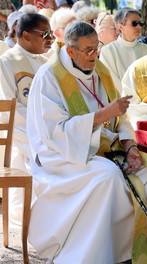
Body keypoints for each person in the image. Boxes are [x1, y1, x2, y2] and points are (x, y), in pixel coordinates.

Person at [27, 20, 147, 264]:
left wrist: (130, 146)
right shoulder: (49, 77)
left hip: (103, 148)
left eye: (97, 47)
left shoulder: (100, 70)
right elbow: (55, 132)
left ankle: (143, 252)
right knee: (107, 176)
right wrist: (102, 115)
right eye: (88, 50)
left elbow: (120, 115)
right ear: (70, 51)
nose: (95, 55)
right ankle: (92, 255)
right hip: (61, 155)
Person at [0, 13, 54, 226]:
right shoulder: (6, 61)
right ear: (25, 35)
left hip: (48, 129)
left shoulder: (46, 61)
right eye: (45, 34)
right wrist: (40, 131)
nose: (50, 39)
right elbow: (8, 107)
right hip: (21, 134)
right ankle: (29, 221)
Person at [100, 7, 147, 94]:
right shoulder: (108, 51)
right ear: (121, 27)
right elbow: (112, 81)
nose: (139, 27)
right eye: (134, 23)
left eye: (140, 23)